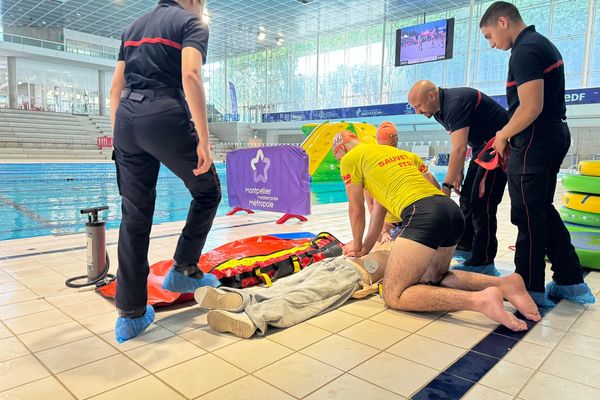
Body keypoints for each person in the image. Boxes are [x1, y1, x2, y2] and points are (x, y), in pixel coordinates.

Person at [333, 131, 541, 329]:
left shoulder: (350, 159)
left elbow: (356, 209)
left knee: (394, 294)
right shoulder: (397, 155)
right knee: (435, 277)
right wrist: (364, 249)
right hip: (450, 210)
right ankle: (506, 284)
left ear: (340, 150)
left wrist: (357, 244)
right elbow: (385, 211)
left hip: (423, 214)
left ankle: (480, 300)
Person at [109, 0, 221, 343]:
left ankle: (130, 316)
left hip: (126, 118)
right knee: (208, 190)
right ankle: (184, 268)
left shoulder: (133, 27)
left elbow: (115, 88)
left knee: (134, 215)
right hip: (163, 113)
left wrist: (121, 138)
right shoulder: (191, 23)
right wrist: (204, 138)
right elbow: (190, 74)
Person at [480, 1, 595, 306]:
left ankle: (529, 288)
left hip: (535, 138)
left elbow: (531, 107)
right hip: (550, 134)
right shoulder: (541, 44)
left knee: (527, 214)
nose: (491, 45)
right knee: (541, 208)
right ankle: (570, 280)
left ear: (502, 21)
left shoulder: (526, 50)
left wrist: (502, 135)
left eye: (489, 36)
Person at [195, 244, 540, 338]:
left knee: (308, 295)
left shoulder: (418, 262)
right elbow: (447, 275)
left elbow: (443, 276)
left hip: (356, 275)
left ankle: (255, 318)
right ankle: (240, 298)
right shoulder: (415, 241)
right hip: (345, 262)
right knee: (292, 282)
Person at [408, 81, 508, 276]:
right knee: (467, 199)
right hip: (482, 148)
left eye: (418, 106)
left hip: (501, 146)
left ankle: (483, 260)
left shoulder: (455, 103)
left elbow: (459, 148)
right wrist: (458, 172)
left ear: (431, 96)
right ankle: (467, 244)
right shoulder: (438, 111)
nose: (417, 112)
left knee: (482, 204)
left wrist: (446, 185)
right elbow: (462, 143)